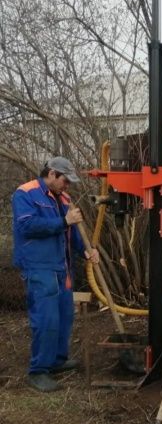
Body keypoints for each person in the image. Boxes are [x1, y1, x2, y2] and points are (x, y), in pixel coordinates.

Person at [12, 156, 100, 392]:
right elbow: (26, 227)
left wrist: (87, 250)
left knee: (64, 316)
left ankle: (57, 360)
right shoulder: (25, 194)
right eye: (64, 180)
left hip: (62, 267)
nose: (67, 186)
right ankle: (39, 370)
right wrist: (63, 220)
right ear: (51, 174)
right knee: (46, 319)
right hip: (39, 266)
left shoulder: (64, 198)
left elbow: (73, 231)